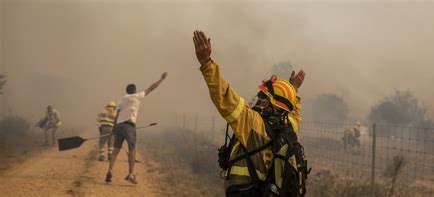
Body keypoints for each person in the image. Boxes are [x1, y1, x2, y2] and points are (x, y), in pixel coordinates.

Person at [193, 30, 309, 196]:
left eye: (262, 96)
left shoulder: (252, 122)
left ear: (267, 102)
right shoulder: (289, 126)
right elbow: (294, 111)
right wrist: (293, 90)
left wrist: (206, 63)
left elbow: (225, 97)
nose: (258, 99)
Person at [105, 72, 168, 184]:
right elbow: (151, 88)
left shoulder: (121, 100)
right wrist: (161, 79)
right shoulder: (137, 97)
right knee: (132, 150)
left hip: (119, 126)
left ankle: (109, 171)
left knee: (115, 150)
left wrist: (114, 129)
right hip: (129, 126)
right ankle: (130, 175)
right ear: (134, 90)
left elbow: (117, 114)